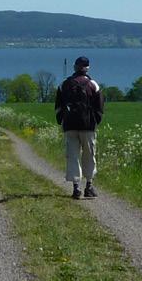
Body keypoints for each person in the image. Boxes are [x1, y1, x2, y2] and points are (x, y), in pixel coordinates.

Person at [55, 56, 104, 199]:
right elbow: (99, 108)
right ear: (87, 68)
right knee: (89, 155)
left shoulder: (64, 84)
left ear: (75, 67)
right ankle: (89, 185)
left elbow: (58, 107)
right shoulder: (93, 85)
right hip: (88, 126)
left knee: (73, 156)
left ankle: (76, 187)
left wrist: (61, 121)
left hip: (70, 125)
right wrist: (95, 121)